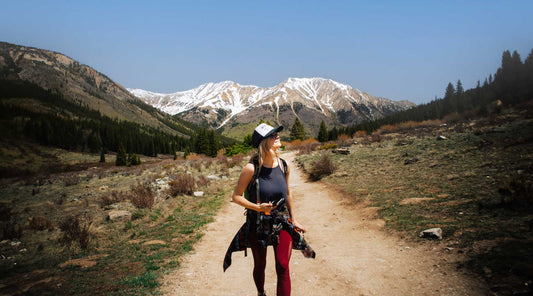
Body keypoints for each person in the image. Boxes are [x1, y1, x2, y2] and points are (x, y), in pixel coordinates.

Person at [223, 123, 315, 296]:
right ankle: (261, 293)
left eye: (277, 134)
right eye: (273, 135)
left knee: (283, 265)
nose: (277, 137)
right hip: (257, 223)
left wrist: (293, 219)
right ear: (263, 142)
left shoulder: (283, 165)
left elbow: (288, 193)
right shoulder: (251, 168)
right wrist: (257, 207)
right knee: (260, 265)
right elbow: (236, 196)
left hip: (282, 221)